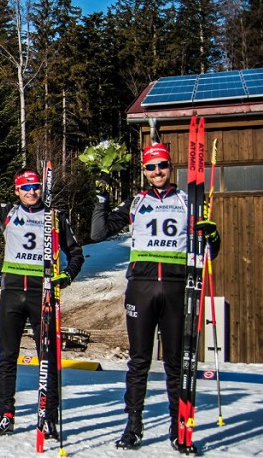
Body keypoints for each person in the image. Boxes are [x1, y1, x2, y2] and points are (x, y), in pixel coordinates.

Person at [90, 142, 221, 453]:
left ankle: (179, 428)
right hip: (142, 288)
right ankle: (133, 425)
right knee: (138, 361)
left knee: (177, 363)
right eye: (151, 167)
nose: (157, 171)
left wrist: (212, 236)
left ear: (170, 166)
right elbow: (98, 233)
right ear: (145, 171)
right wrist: (101, 198)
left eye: (161, 165)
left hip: (177, 289)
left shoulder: (188, 200)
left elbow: (210, 251)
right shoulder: (135, 202)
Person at [0, 149, 84, 438]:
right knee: (7, 356)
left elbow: (76, 254)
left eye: (36, 186)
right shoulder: (7, 212)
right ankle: (6, 414)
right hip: (13, 293)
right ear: (17, 191)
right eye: (26, 187)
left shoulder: (56, 217)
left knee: (48, 357)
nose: (32, 192)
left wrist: (66, 276)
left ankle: (49, 416)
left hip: (44, 294)